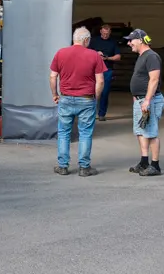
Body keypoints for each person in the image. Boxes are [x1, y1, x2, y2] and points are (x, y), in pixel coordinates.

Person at [49, 27, 107, 177]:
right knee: (85, 134)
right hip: (87, 99)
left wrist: (55, 94)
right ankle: (84, 167)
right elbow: (100, 81)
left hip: (66, 98)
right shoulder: (94, 55)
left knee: (63, 133)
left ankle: (63, 166)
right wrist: (96, 98)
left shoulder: (61, 53)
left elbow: (52, 76)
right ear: (86, 40)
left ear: (74, 39)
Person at [124, 29, 164, 177]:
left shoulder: (152, 56)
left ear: (140, 40)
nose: (129, 43)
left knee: (151, 132)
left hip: (150, 101)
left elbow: (154, 79)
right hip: (140, 100)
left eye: (131, 40)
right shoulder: (142, 56)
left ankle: (155, 165)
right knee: (141, 131)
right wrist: (136, 96)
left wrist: (147, 99)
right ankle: (144, 162)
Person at [89, 24, 121, 121]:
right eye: (104, 33)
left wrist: (107, 58)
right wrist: (96, 54)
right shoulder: (94, 41)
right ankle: (90, 113)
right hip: (93, 70)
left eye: (107, 33)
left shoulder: (113, 42)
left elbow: (118, 57)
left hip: (107, 69)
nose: (105, 35)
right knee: (91, 92)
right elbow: (86, 53)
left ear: (110, 32)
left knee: (104, 92)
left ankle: (102, 114)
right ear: (100, 31)